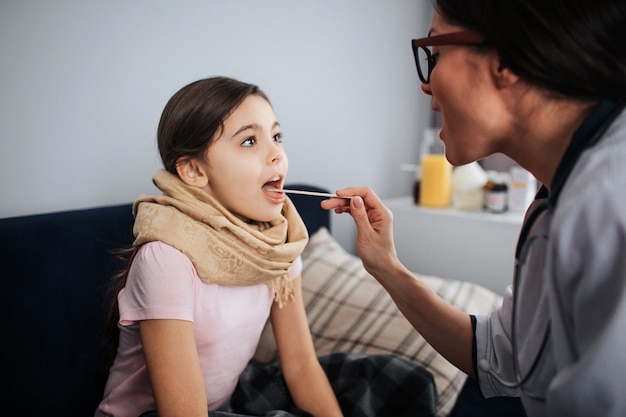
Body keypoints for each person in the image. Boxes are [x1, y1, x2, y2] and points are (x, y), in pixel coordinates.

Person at [322, 1, 626, 416]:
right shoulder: (561, 191)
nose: (427, 88)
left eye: (436, 54)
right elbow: (503, 359)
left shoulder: (610, 199)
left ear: (505, 59)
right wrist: (387, 268)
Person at [95, 77, 343, 417]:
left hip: (222, 404)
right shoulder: (166, 259)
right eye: (250, 141)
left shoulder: (278, 244)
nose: (276, 155)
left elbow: (300, 365)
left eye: (276, 136)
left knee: (395, 378)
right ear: (194, 170)